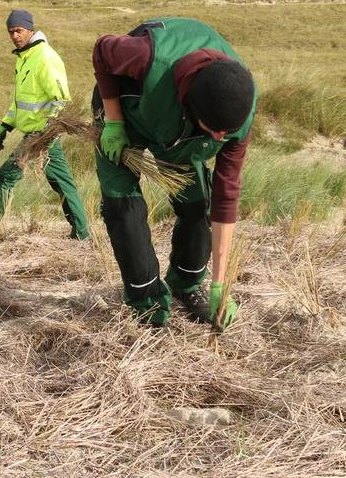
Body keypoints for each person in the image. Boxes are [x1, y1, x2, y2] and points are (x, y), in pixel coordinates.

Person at [92, 17, 255, 328]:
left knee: (198, 204)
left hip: (178, 132)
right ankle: (146, 300)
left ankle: (187, 282)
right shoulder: (148, 57)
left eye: (227, 133)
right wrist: (113, 121)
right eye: (215, 131)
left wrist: (221, 282)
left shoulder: (235, 108)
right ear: (192, 108)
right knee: (124, 209)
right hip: (126, 114)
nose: (221, 140)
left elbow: (226, 196)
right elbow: (102, 49)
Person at [0, 10, 90, 240]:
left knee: (4, 178)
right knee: (61, 183)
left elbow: (60, 97)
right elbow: (21, 100)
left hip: (41, 134)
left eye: (18, 30)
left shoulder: (45, 57)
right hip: (36, 133)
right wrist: (5, 125)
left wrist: (47, 131)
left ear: (30, 29)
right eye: (10, 32)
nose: (14, 36)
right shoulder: (25, 58)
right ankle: (82, 234)